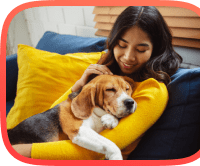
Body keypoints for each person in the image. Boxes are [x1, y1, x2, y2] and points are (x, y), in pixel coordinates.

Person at [11, 6, 182, 160]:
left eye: (141, 49)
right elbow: (59, 116)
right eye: (122, 45)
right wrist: (80, 85)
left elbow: (100, 148)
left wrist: (20, 151)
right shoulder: (105, 71)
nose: (128, 56)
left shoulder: (153, 90)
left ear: (156, 50)